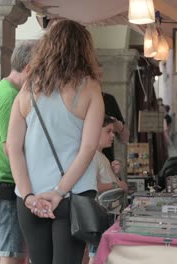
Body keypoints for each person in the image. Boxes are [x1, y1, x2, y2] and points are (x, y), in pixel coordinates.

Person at [6, 20, 104, 264]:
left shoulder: (28, 88)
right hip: (72, 195)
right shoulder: (90, 89)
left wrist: (28, 196)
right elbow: (89, 148)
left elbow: (13, 148)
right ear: (84, 50)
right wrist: (59, 191)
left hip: (31, 199)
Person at [0, 40, 35, 264]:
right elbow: (10, 147)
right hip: (8, 183)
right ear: (29, 70)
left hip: (11, 183)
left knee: (17, 254)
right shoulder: (10, 95)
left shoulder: (8, 90)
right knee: (12, 255)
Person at [87, 115, 128, 264]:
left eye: (113, 131)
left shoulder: (101, 156)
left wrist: (113, 173)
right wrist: (118, 185)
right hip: (101, 214)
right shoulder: (92, 156)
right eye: (108, 131)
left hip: (108, 214)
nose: (113, 135)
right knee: (96, 254)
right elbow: (93, 186)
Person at [95, 62, 130, 161]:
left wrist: (119, 127)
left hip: (107, 161)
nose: (98, 80)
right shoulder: (79, 102)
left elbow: (125, 139)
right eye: (94, 76)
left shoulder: (109, 100)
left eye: (100, 75)